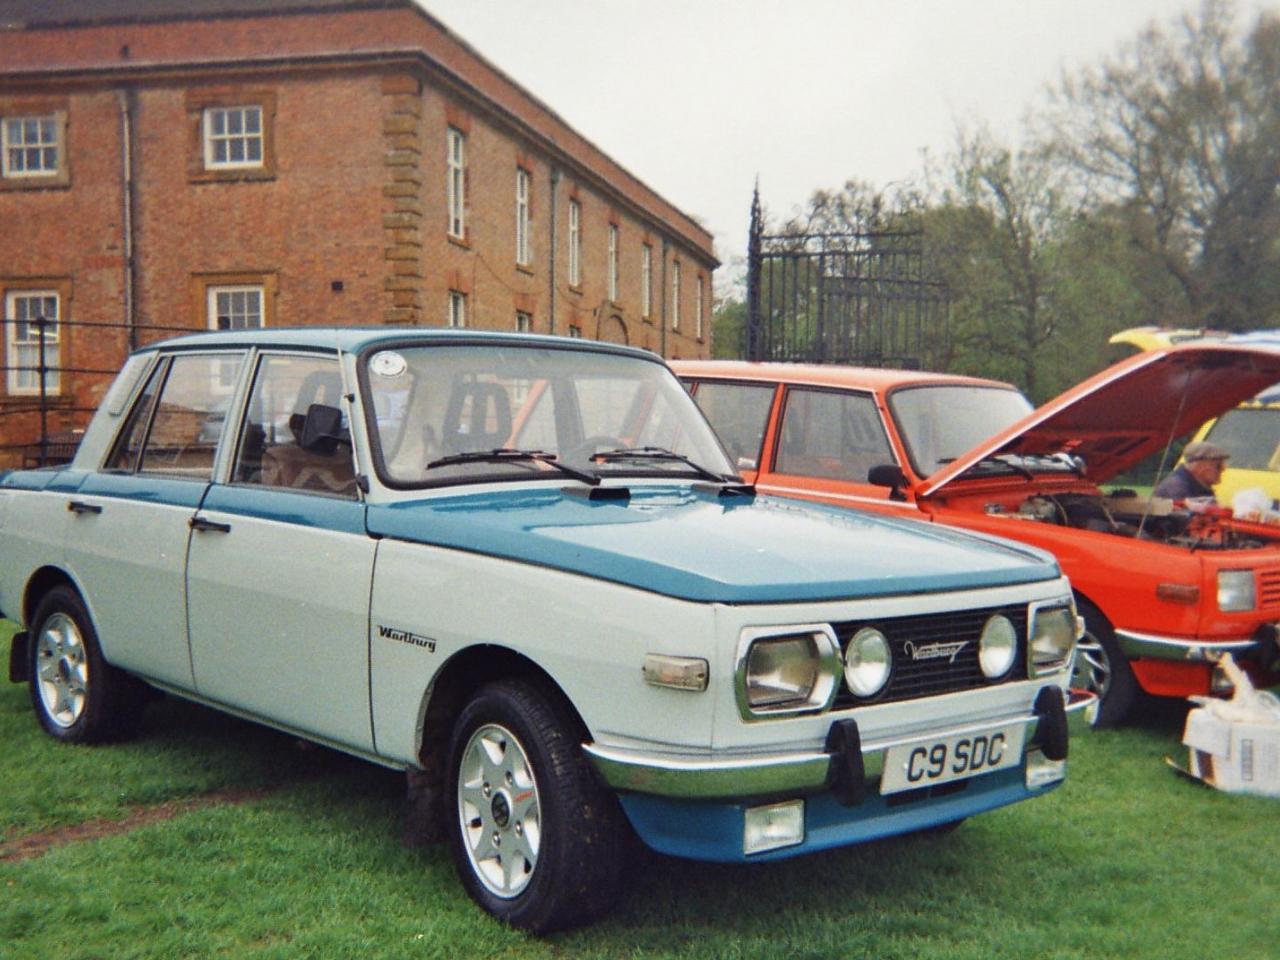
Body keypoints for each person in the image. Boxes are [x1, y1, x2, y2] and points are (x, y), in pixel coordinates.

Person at [1153, 441, 1229, 501]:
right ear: (1200, 466)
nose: (1223, 469)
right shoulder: (1176, 489)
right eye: (1218, 466)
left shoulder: (1201, 487)